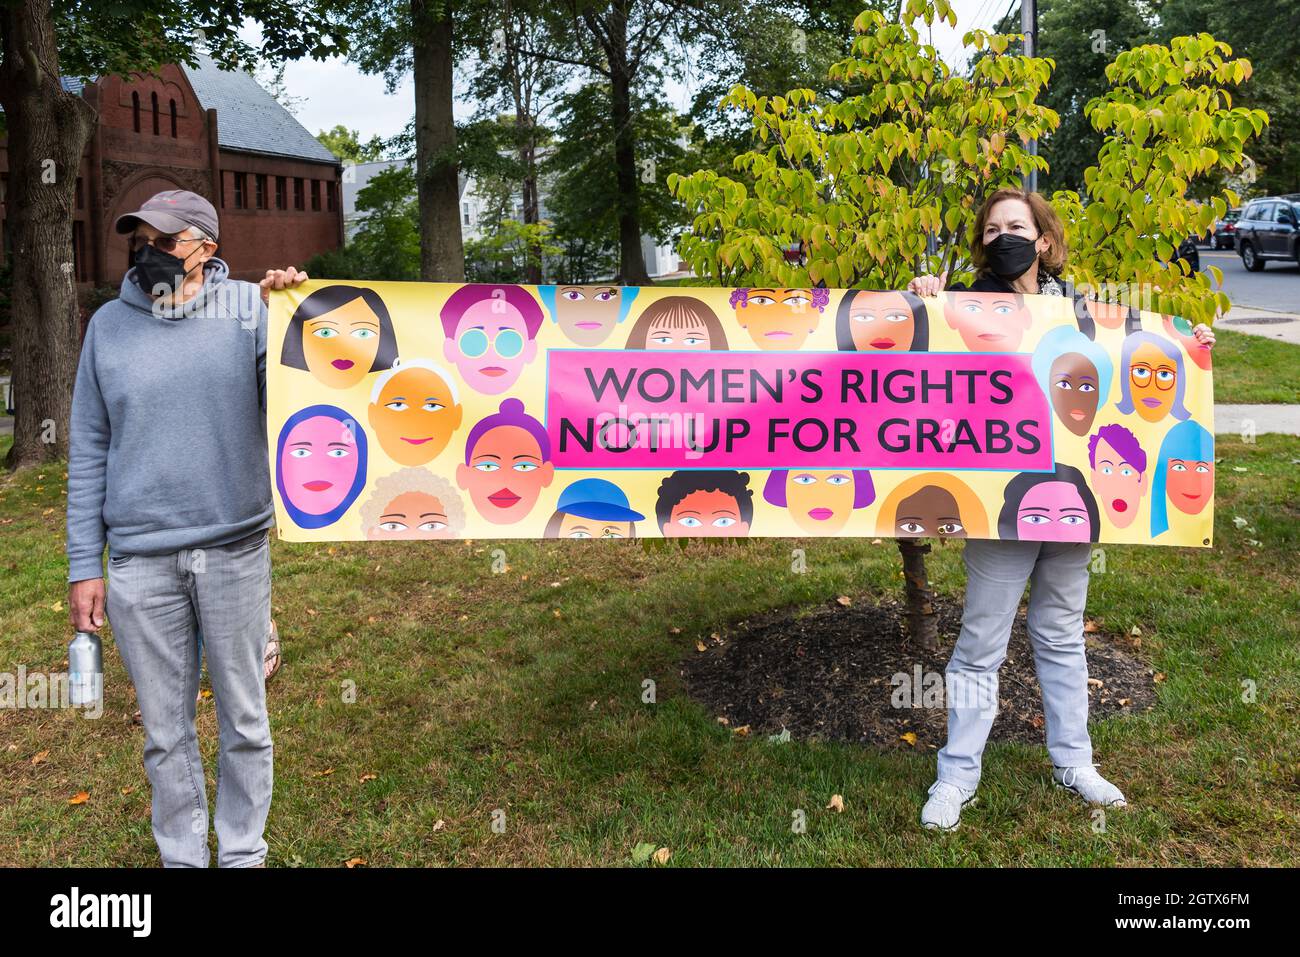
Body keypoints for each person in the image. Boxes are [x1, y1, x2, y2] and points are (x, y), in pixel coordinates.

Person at [905, 187, 1216, 831]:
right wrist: (925, 301)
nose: (1002, 238)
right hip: (1001, 502)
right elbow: (920, 360)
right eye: (991, 231)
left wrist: (1185, 345)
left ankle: (1074, 760)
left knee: (1061, 633)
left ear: (1044, 239)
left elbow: (1133, 365)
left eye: (1015, 226)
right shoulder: (963, 306)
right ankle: (957, 772)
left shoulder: (1083, 312)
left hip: (1073, 498)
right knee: (981, 640)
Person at [66, 189, 307, 866]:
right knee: (164, 731)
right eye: (138, 239)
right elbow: (87, 446)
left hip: (233, 547)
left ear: (208, 247)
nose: (148, 252)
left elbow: (299, 393)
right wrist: (85, 563)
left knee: (244, 718)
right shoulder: (107, 328)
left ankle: (240, 852)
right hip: (139, 561)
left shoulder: (248, 313)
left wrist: (291, 308)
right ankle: (182, 855)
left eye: (165, 241)